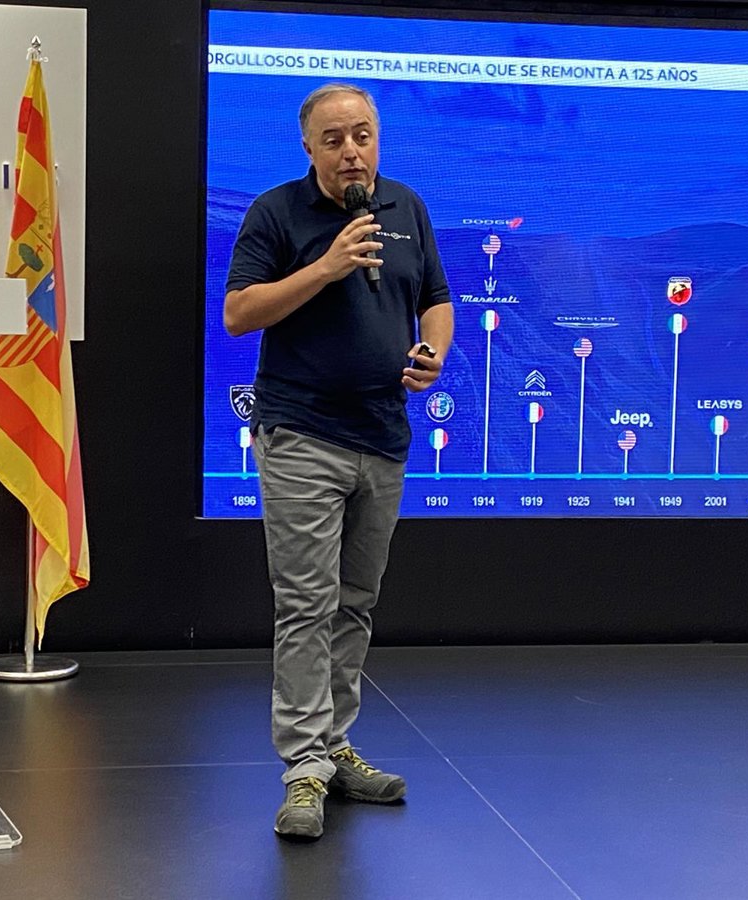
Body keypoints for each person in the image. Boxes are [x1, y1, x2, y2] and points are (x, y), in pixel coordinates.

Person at [223, 82, 453, 840]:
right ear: (309, 147)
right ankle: (302, 768)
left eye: (362, 135)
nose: (351, 151)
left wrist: (432, 351)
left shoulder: (406, 207)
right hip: (302, 435)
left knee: (355, 602)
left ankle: (333, 746)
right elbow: (238, 314)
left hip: (383, 435)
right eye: (334, 139)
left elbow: (436, 297)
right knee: (306, 604)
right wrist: (326, 266)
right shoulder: (276, 212)